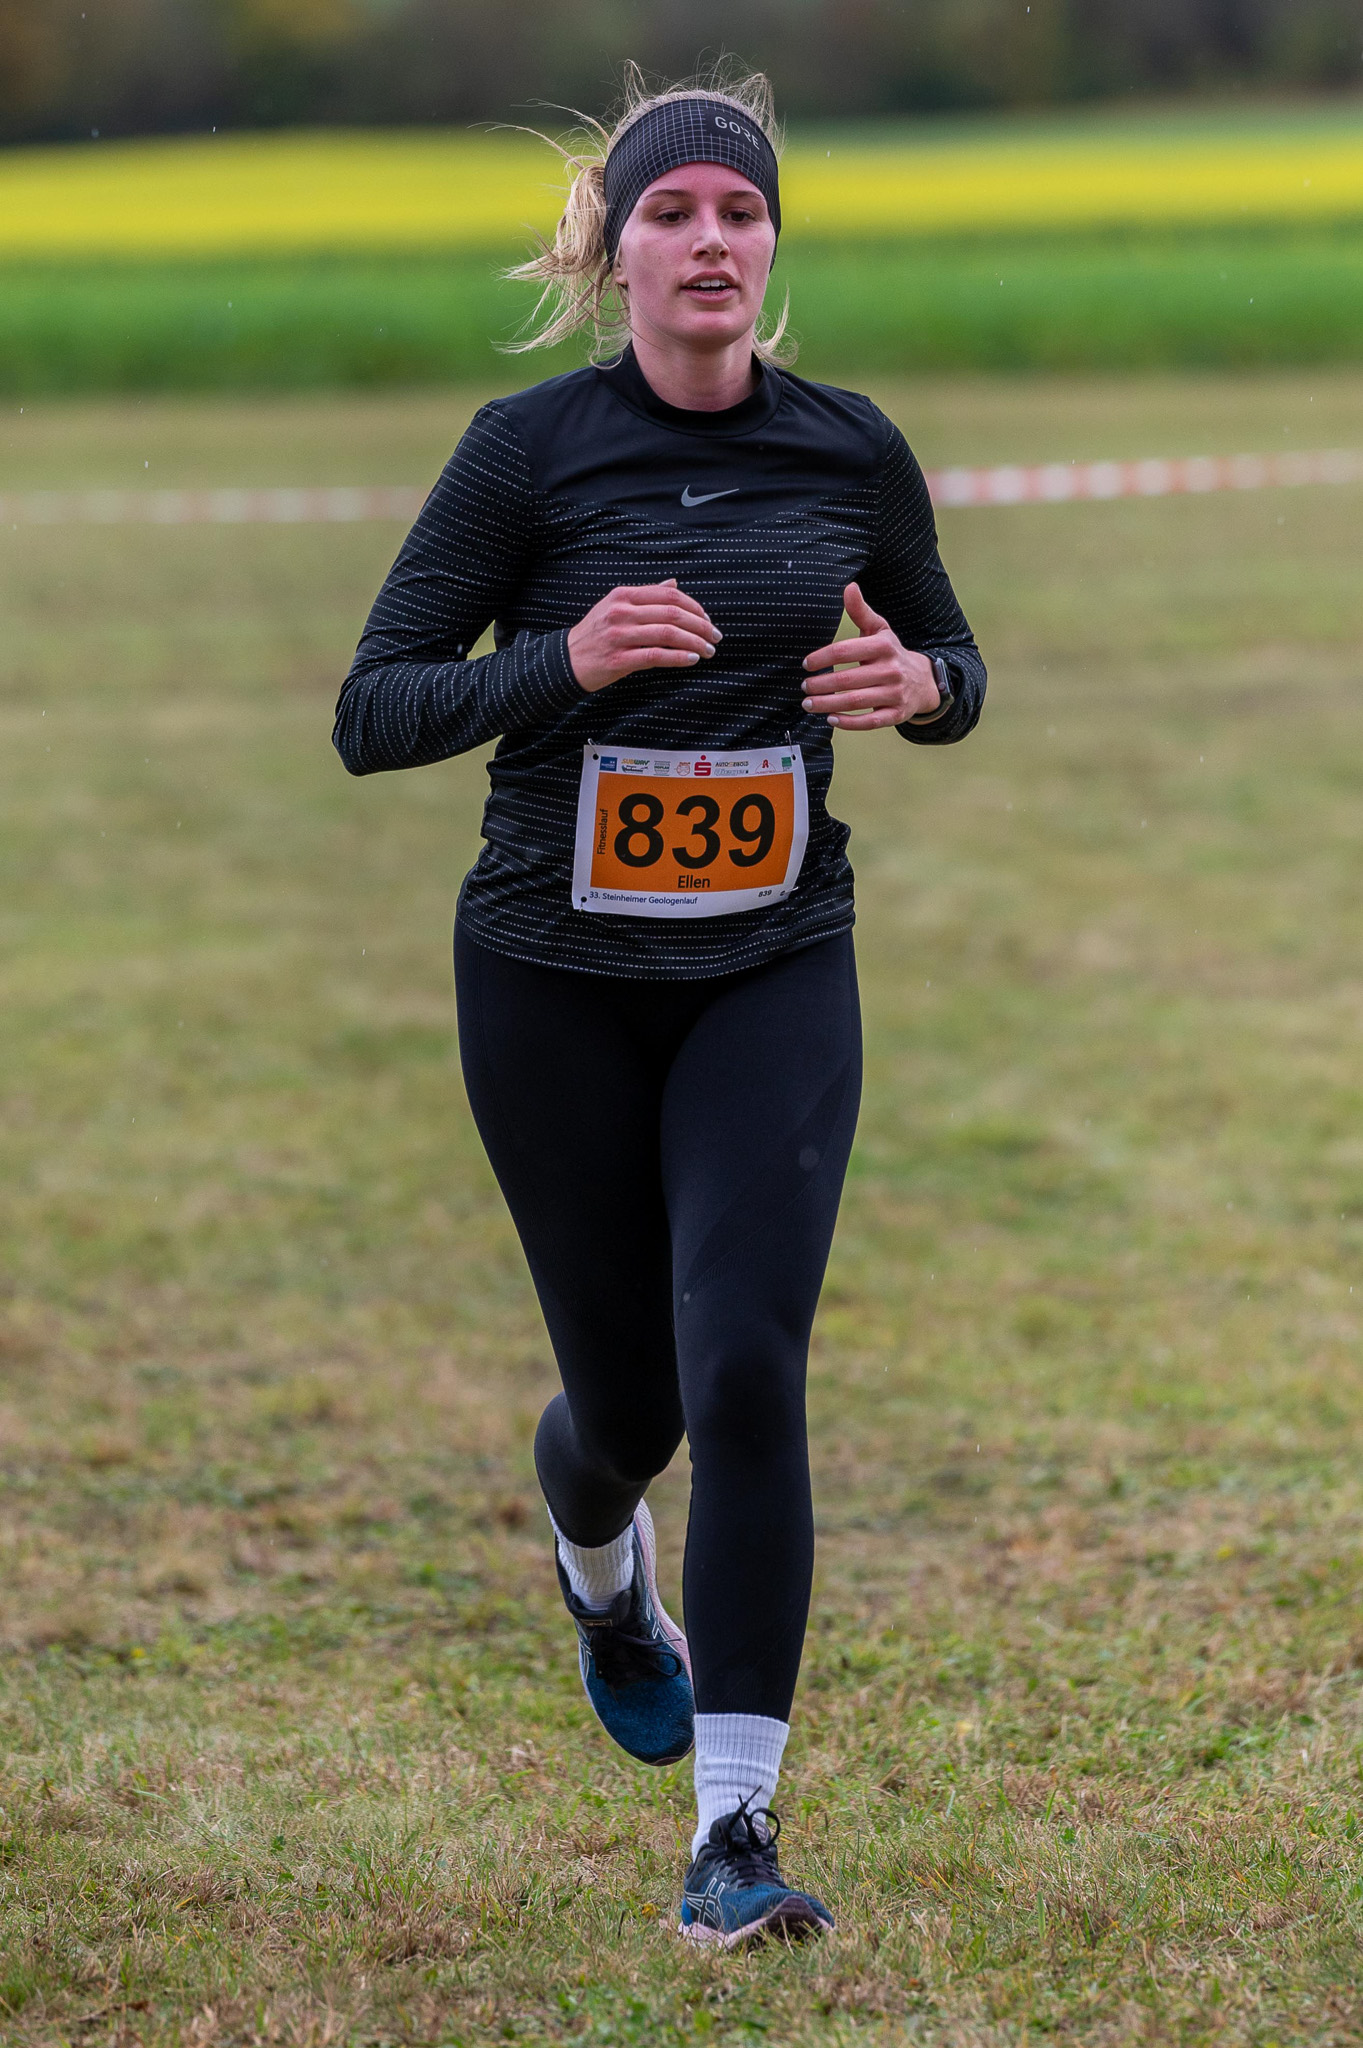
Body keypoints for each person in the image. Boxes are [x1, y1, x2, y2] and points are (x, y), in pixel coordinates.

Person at [333, 65, 985, 1948]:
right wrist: (566, 660)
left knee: (749, 1368)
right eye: (674, 213)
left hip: (773, 963)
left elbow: (952, 656)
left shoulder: (850, 450)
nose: (712, 240)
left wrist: (922, 690)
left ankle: (732, 1837)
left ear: (773, 248)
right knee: (629, 1405)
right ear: (614, 253)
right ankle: (602, 1566)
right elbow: (374, 710)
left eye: (742, 213)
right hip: (550, 981)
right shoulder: (527, 453)